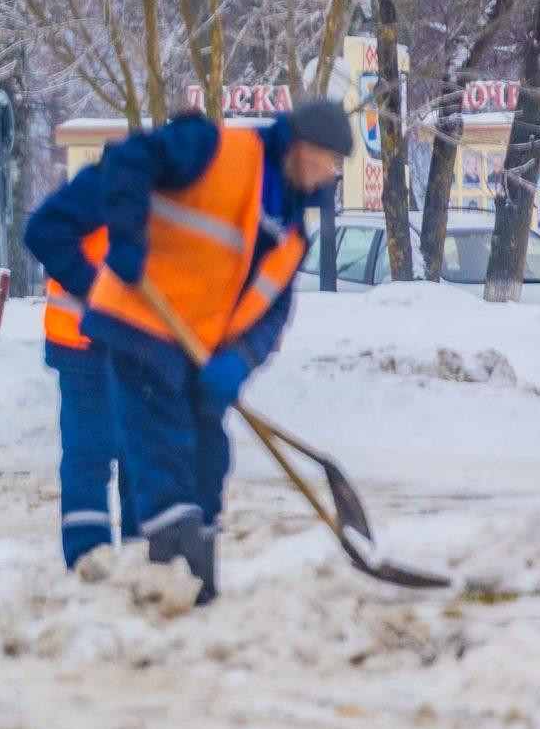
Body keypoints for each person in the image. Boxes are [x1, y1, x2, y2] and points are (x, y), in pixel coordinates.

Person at [81, 98, 353, 604]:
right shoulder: (217, 147)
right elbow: (128, 159)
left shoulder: (293, 234)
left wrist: (241, 360)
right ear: (303, 146)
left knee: (209, 462)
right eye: (331, 160)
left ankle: (198, 590)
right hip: (142, 321)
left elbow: (272, 314)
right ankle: (172, 579)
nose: (331, 174)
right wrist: (127, 232)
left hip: (198, 354)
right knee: (165, 457)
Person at [22, 160, 135, 569]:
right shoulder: (115, 188)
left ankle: (126, 557)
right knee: (97, 455)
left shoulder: (159, 195)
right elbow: (46, 236)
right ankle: (91, 560)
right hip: (84, 341)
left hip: (123, 345)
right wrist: (100, 293)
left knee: (126, 455)